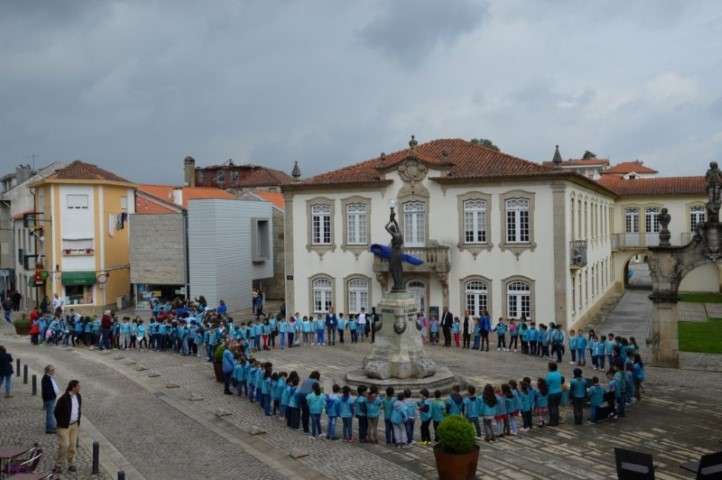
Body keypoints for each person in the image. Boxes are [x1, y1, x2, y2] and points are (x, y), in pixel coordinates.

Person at [53, 380, 81, 474]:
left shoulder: (78, 396)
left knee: (72, 445)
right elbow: (56, 412)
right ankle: (58, 464)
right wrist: (62, 422)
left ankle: (71, 463)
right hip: (64, 426)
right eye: (78, 386)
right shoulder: (63, 398)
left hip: (74, 425)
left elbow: (78, 409)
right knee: (64, 445)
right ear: (73, 387)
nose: (79, 388)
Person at [42, 365, 60, 433]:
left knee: (51, 413)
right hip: (49, 398)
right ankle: (49, 428)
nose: (53, 371)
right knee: (50, 414)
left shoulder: (49, 377)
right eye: (52, 370)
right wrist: (52, 395)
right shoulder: (46, 378)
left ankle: (52, 426)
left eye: (53, 370)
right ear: (48, 371)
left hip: (51, 398)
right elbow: (47, 390)